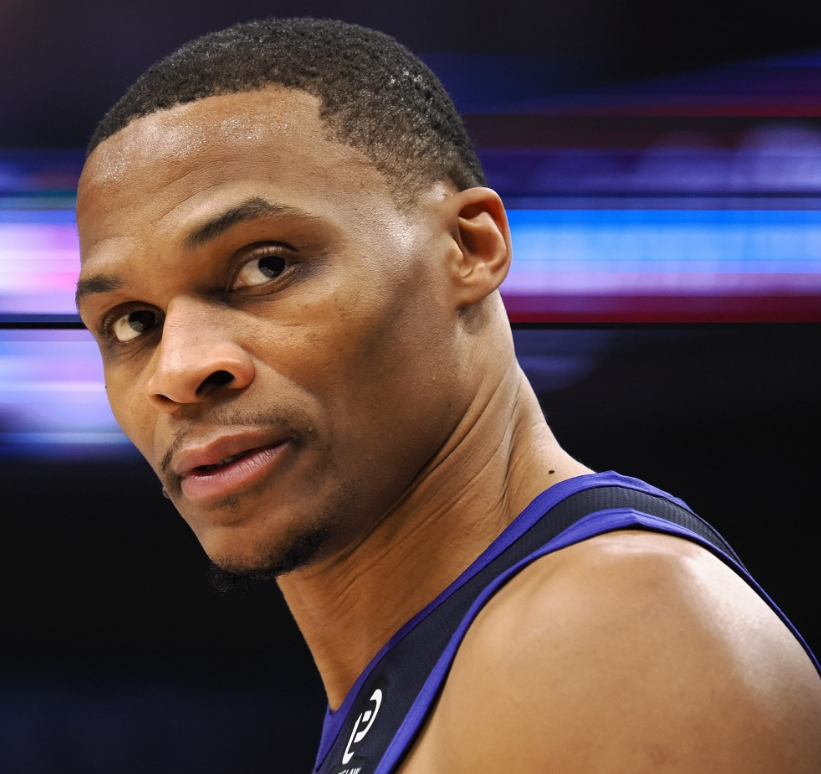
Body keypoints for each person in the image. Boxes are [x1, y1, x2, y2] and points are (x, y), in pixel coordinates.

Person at [73, 18, 821, 774]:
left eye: (266, 266)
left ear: (470, 247)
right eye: (132, 322)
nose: (178, 369)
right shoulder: (466, 658)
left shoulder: (607, 628)